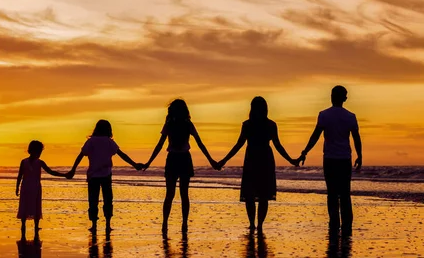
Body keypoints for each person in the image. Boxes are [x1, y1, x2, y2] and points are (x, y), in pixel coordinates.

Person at [217, 96, 299, 233]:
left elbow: (238, 145)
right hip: (265, 159)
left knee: (250, 195)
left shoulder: (248, 125)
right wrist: (291, 160)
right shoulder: (270, 125)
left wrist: (223, 161)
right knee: (263, 195)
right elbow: (278, 146)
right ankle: (259, 225)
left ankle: (252, 224)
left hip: (252, 159)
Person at [144, 99, 217, 234]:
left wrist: (149, 162)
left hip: (173, 159)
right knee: (183, 194)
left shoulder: (170, 124)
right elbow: (200, 144)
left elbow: (159, 145)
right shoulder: (186, 124)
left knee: (170, 194)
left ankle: (166, 223)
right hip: (183, 159)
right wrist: (211, 160)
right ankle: (182, 223)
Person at [299, 86, 362, 238]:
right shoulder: (350, 116)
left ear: (331, 97)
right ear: (345, 99)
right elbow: (356, 138)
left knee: (332, 193)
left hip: (330, 159)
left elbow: (315, 136)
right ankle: (346, 225)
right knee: (345, 193)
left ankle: (334, 222)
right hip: (344, 159)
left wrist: (305, 151)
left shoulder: (324, 115)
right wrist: (360, 155)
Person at [66, 120, 144, 233]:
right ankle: (107, 224)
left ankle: (94, 224)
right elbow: (122, 155)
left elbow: (81, 155)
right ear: (109, 130)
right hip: (106, 175)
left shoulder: (91, 141)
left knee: (93, 200)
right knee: (108, 200)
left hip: (93, 176)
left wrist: (73, 169)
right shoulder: (109, 142)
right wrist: (134, 164)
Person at [16, 140, 66, 241]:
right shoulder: (27, 162)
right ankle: (25, 225)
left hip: (32, 187)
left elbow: (51, 172)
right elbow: (20, 175)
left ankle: (32, 225)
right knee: (28, 205)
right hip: (28, 187)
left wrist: (64, 175)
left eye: (40, 152)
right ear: (31, 151)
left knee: (33, 205)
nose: (39, 154)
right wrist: (17, 187)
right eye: (38, 152)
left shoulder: (37, 162)